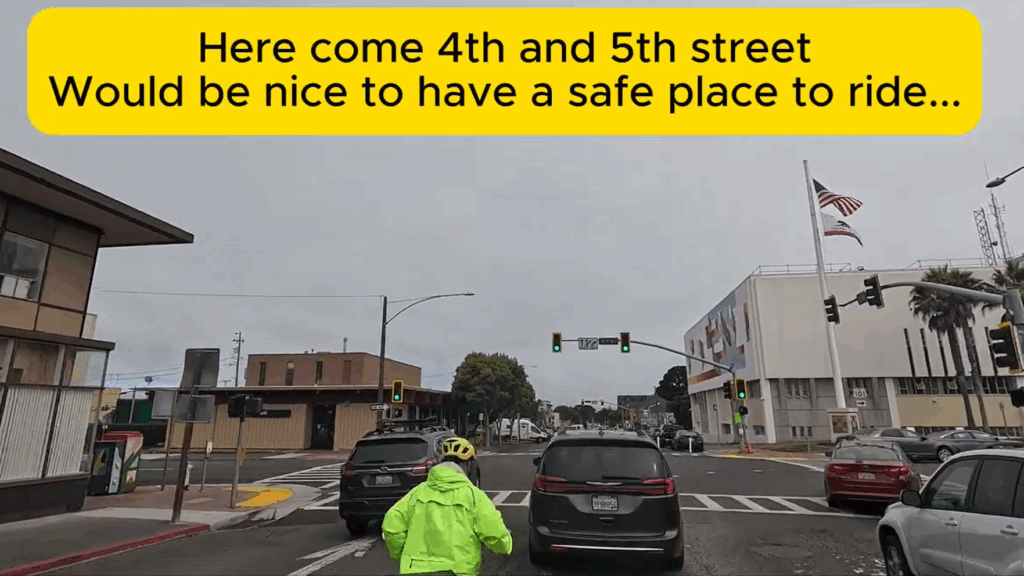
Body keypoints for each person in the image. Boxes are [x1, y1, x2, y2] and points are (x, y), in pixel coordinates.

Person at [382, 436, 512, 575]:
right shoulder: (474, 496)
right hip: (457, 571)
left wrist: (401, 554)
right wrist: (506, 544)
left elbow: (392, 526)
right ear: (467, 465)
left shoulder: (417, 493)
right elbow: (496, 535)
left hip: (416, 570)